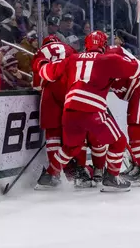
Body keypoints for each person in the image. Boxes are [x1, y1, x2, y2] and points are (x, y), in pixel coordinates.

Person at [35, 31, 140, 192]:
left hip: (70, 110)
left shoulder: (72, 59)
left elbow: (46, 73)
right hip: (92, 109)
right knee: (119, 142)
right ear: (103, 45)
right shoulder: (109, 59)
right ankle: (111, 177)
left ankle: (49, 175)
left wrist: (41, 63)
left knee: (70, 147)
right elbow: (138, 70)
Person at [31, 35, 95, 190]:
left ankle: (54, 174)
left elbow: (38, 85)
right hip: (72, 88)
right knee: (76, 130)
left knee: (53, 133)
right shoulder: (70, 49)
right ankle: (80, 170)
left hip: (51, 90)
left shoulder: (40, 52)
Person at [103, 44, 140, 186]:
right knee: (132, 127)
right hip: (135, 89)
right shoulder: (99, 62)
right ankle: (136, 165)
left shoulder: (114, 54)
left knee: (135, 127)